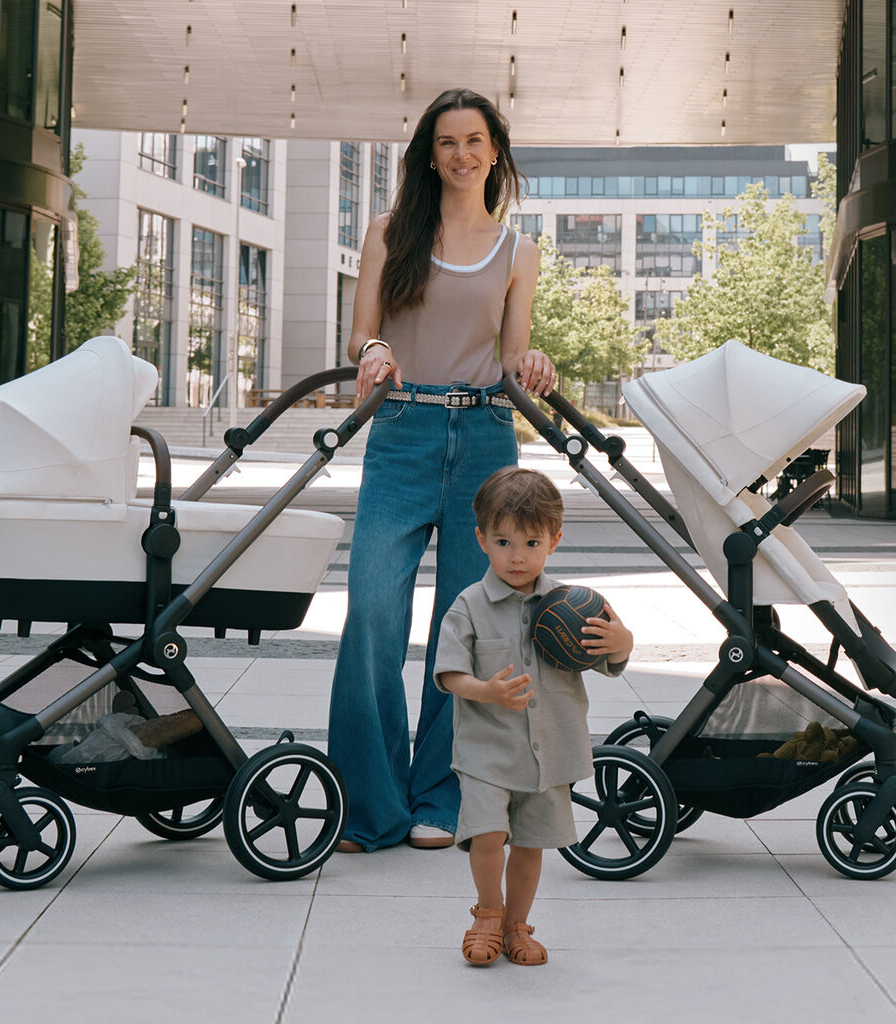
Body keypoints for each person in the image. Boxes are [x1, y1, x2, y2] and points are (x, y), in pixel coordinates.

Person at [330, 87, 558, 853]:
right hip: (402, 429)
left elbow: (512, 357)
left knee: (469, 626)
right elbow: (363, 331)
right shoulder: (391, 233)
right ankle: (369, 805)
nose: (461, 154)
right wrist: (372, 352)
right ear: (430, 154)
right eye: (447, 142)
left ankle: (442, 795)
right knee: (371, 615)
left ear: (496, 152)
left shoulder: (518, 251)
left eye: (475, 141)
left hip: (487, 438)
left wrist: (534, 361)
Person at [433, 467, 633, 966]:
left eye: (530, 542)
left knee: (529, 845)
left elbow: (613, 655)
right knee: (487, 834)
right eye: (503, 541)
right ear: (481, 539)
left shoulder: (576, 605)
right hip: (487, 750)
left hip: (551, 752)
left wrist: (622, 641)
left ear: (554, 541)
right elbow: (449, 674)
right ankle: (487, 914)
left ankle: (517, 926)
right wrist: (487, 691)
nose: (516, 555)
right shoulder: (469, 606)